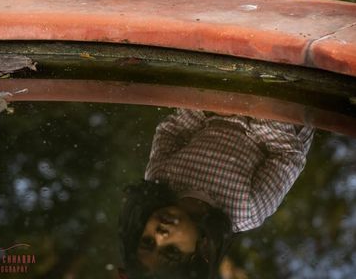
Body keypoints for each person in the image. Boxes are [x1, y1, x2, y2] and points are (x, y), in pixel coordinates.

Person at [118, 110, 314, 279]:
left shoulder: (159, 178)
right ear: (200, 250)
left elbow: (172, 131)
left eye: (148, 241)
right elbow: (288, 155)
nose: (160, 235)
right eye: (171, 251)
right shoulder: (245, 210)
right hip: (280, 119)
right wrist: (254, 109)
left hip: (215, 103)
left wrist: (207, 108)